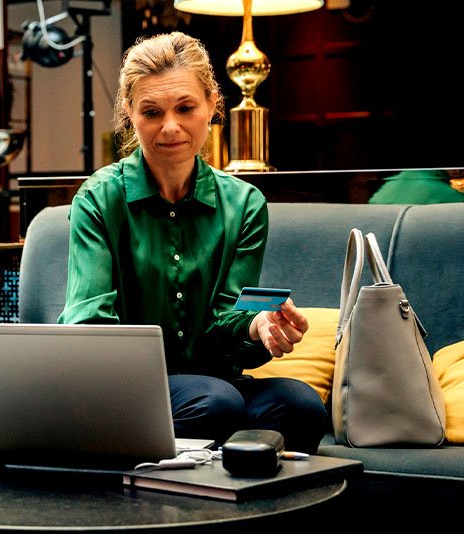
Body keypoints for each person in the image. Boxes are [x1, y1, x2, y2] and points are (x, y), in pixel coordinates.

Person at [58, 32, 328, 454]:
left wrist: (258, 327)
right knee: (216, 403)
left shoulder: (245, 204)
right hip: (128, 389)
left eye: (185, 108)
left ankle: (210, 471)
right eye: (151, 112)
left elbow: (229, 316)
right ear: (130, 113)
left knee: (301, 406)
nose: (170, 126)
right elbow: (88, 325)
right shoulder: (99, 198)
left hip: (217, 389)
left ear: (212, 107)